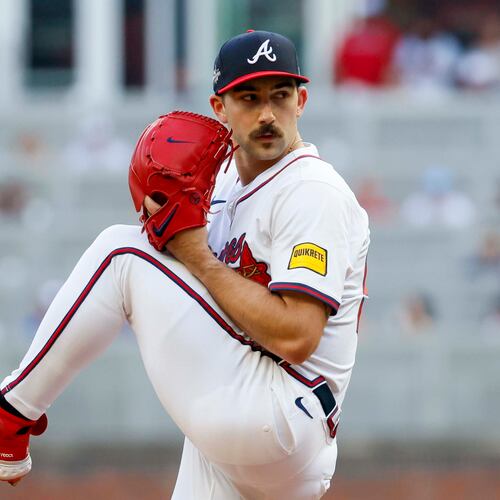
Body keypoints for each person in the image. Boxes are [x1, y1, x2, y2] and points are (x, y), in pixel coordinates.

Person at [0, 30, 369, 498]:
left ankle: (10, 411)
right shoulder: (225, 182)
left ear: (302, 100)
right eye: (248, 98)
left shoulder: (311, 191)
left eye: (280, 95)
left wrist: (192, 253)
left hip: (282, 407)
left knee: (120, 252)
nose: (267, 114)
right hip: (253, 432)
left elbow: (297, 336)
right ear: (220, 108)